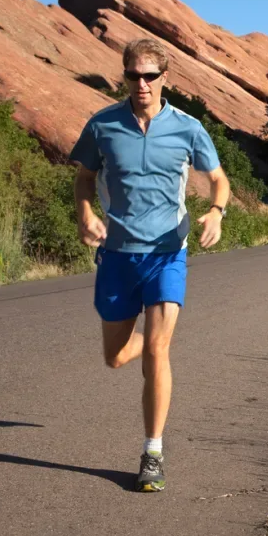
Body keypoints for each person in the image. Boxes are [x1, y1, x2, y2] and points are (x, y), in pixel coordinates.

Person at [69, 38, 230, 492]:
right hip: (118, 255)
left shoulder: (188, 128)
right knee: (116, 357)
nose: (142, 84)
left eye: (150, 76)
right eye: (133, 76)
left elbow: (218, 179)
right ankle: (139, 340)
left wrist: (216, 212)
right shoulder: (102, 125)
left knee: (159, 351)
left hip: (167, 253)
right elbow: (84, 178)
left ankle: (153, 452)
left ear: (165, 78)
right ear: (124, 76)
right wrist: (85, 214)